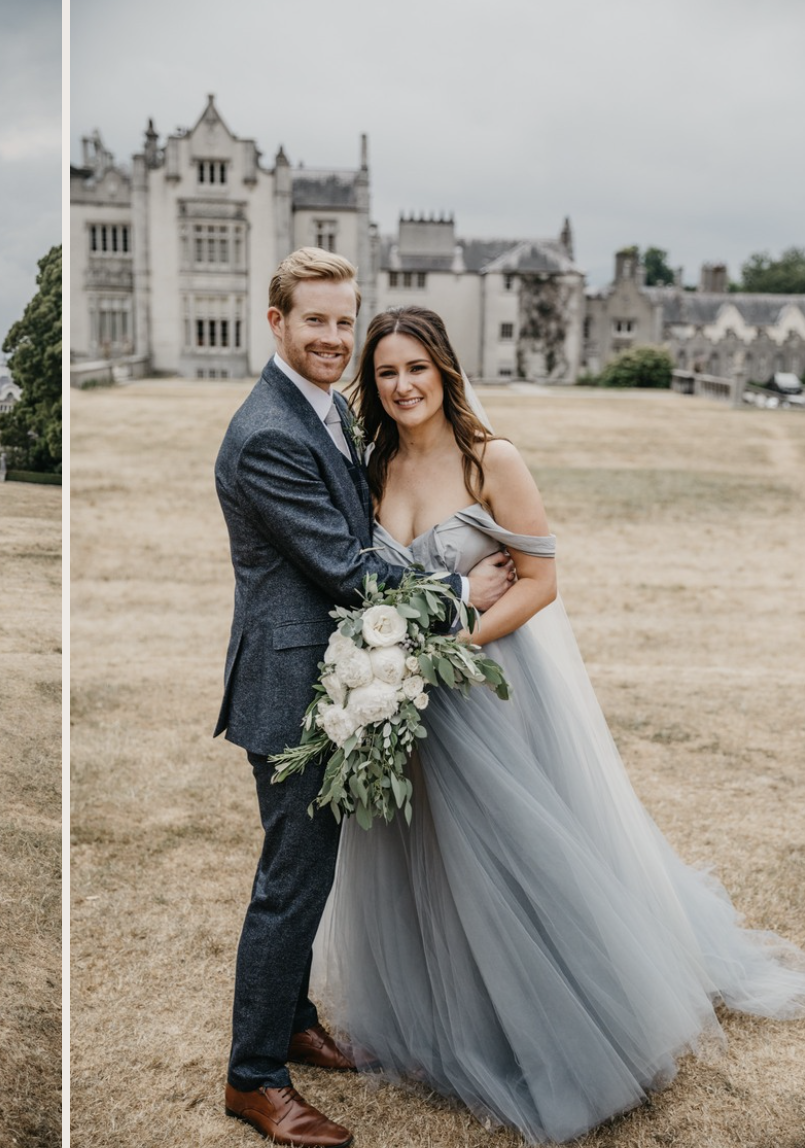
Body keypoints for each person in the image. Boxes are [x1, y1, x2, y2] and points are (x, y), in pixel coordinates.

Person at [311, 304, 805, 1143]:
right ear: (372, 386)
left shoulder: (491, 460)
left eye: (416, 368)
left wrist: (443, 647)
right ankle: (452, 1028)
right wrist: (397, 662)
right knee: (433, 866)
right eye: (385, 373)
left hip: (486, 689)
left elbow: (540, 582)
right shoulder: (374, 468)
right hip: (408, 703)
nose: (403, 386)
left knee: (518, 861)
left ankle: (574, 1033)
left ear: (444, 369)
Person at [212, 250, 516, 1148]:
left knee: (312, 872)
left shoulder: (326, 412)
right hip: (291, 687)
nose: (334, 339)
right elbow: (346, 566)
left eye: (345, 322)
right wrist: (460, 596)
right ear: (276, 323)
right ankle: (254, 1077)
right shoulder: (267, 430)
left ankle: (294, 1022)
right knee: (290, 883)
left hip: (327, 676)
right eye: (316, 321)